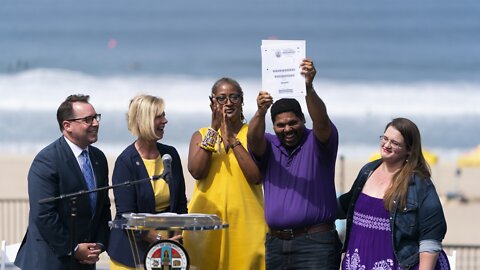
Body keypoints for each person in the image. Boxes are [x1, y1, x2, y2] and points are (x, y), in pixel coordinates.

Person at [247, 58, 342, 269]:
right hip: (276, 243)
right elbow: (253, 139)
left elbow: (322, 119)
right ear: (273, 126)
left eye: (293, 122)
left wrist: (308, 87)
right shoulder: (269, 144)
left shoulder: (318, 142)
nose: (287, 129)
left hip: (316, 243)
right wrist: (261, 111)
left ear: (303, 120)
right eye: (280, 125)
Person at [338, 118, 450, 270]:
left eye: (395, 143)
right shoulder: (367, 170)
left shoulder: (419, 184)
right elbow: (346, 204)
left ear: (409, 150)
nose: (386, 145)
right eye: (384, 138)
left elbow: (431, 235)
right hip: (358, 261)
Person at [14, 94, 111, 270]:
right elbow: (44, 214)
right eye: (88, 119)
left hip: (85, 262)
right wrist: (73, 249)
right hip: (50, 260)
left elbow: (103, 207)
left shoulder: (98, 158)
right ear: (67, 126)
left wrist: (100, 244)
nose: (96, 123)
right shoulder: (47, 160)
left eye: (96, 118)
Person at [182, 77, 267, 269]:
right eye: (221, 98)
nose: (228, 103)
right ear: (212, 102)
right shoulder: (201, 134)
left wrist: (231, 138)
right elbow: (197, 170)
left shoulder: (252, 133)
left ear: (242, 100)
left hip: (247, 223)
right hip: (207, 223)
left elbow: (256, 177)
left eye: (234, 97)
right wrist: (214, 129)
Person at [107, 94, 188, 269]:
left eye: (164, 115)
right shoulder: (126, 161)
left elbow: (180, 204)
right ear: (144, 120)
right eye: (159, 116)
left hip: (168, 251)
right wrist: (160, 241)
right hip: (131, 254)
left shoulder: (170, 155)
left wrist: (176, 239)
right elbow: (126, 216)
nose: (165, 121)